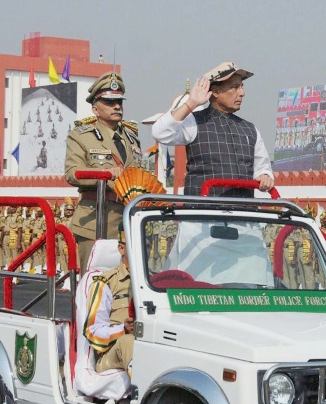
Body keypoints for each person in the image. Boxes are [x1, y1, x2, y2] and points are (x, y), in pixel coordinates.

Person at [151, 61, 274, 197]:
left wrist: (264, 176)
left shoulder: (250, 130)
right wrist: (191, 103)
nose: (242, 93)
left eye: (242, 87)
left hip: (242, 213)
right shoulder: (195, 122)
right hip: (204, 213)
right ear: (215, 91)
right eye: (235, 87)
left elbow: (262, 168)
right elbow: (160, 133)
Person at [65, 71, 141, 270]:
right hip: (96, 219)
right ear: (95, 109)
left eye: (119, 102)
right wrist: (104, 176)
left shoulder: (131, 137)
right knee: (93, 284)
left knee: (126, 285)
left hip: (127, 220)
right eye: (109, 102)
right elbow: (72, 173)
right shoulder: (81, 136)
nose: (117, 106)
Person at [83, 222, 134, 374]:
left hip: (147, 344)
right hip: (111, 355)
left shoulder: (154, 282)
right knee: (128, 341)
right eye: (135, 245)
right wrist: (123, 329)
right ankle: (147, 396)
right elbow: (92, 333)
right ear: (121, 248)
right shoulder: (105, 283)